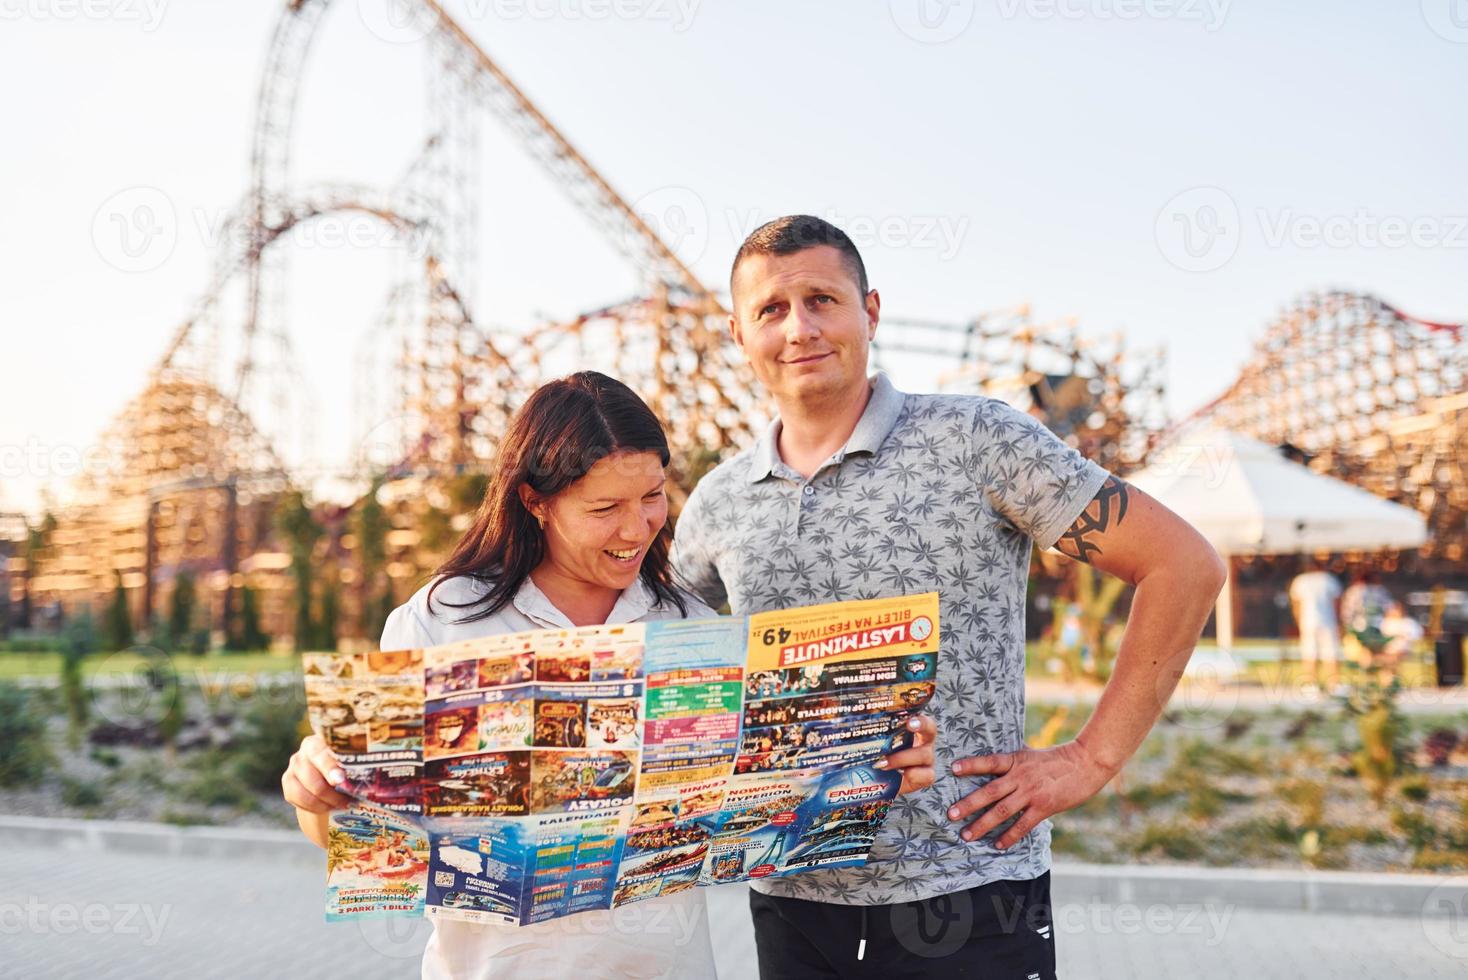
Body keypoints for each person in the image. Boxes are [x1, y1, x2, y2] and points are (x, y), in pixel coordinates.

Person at [672, 215, 1226, 979]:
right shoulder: (717, 503)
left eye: (822, 300)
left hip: (971, 892)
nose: (798, 327)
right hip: (791, 904)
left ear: (870, 311)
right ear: (739, 333)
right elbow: (673, 685)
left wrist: (1093, 758)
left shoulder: (975, 440)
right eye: (771, 309)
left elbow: (1184, 565)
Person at [280, 371, 937, 979]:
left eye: (652, 496)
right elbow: (362, 837)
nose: (638, 528)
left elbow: (761, 810)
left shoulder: (688, 624)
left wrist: (869, 765)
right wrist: (316, 797)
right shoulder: (440, 623)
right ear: (535, 501)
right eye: (604, 509)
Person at [1289, 559, 1343, 695]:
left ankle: (1310, 685)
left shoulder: (1300, 581)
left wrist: (1298, 621)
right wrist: (1338, 622)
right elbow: (1336, 603)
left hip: (1308, 622)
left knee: (1309, 653)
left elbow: (1296, 604)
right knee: (1331, 653)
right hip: (1328, 621)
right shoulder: (1329, 580)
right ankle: (1334, 684)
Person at [1378, 600, 1423, 685]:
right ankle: (1388, 679)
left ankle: (1390, 680)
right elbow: (1383, 637)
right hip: (1388, 650)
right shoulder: (1386, 623)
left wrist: (1403, 637)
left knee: (1391, 658)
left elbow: (1416, 636)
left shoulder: (1409, 623)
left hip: (1405, 650)